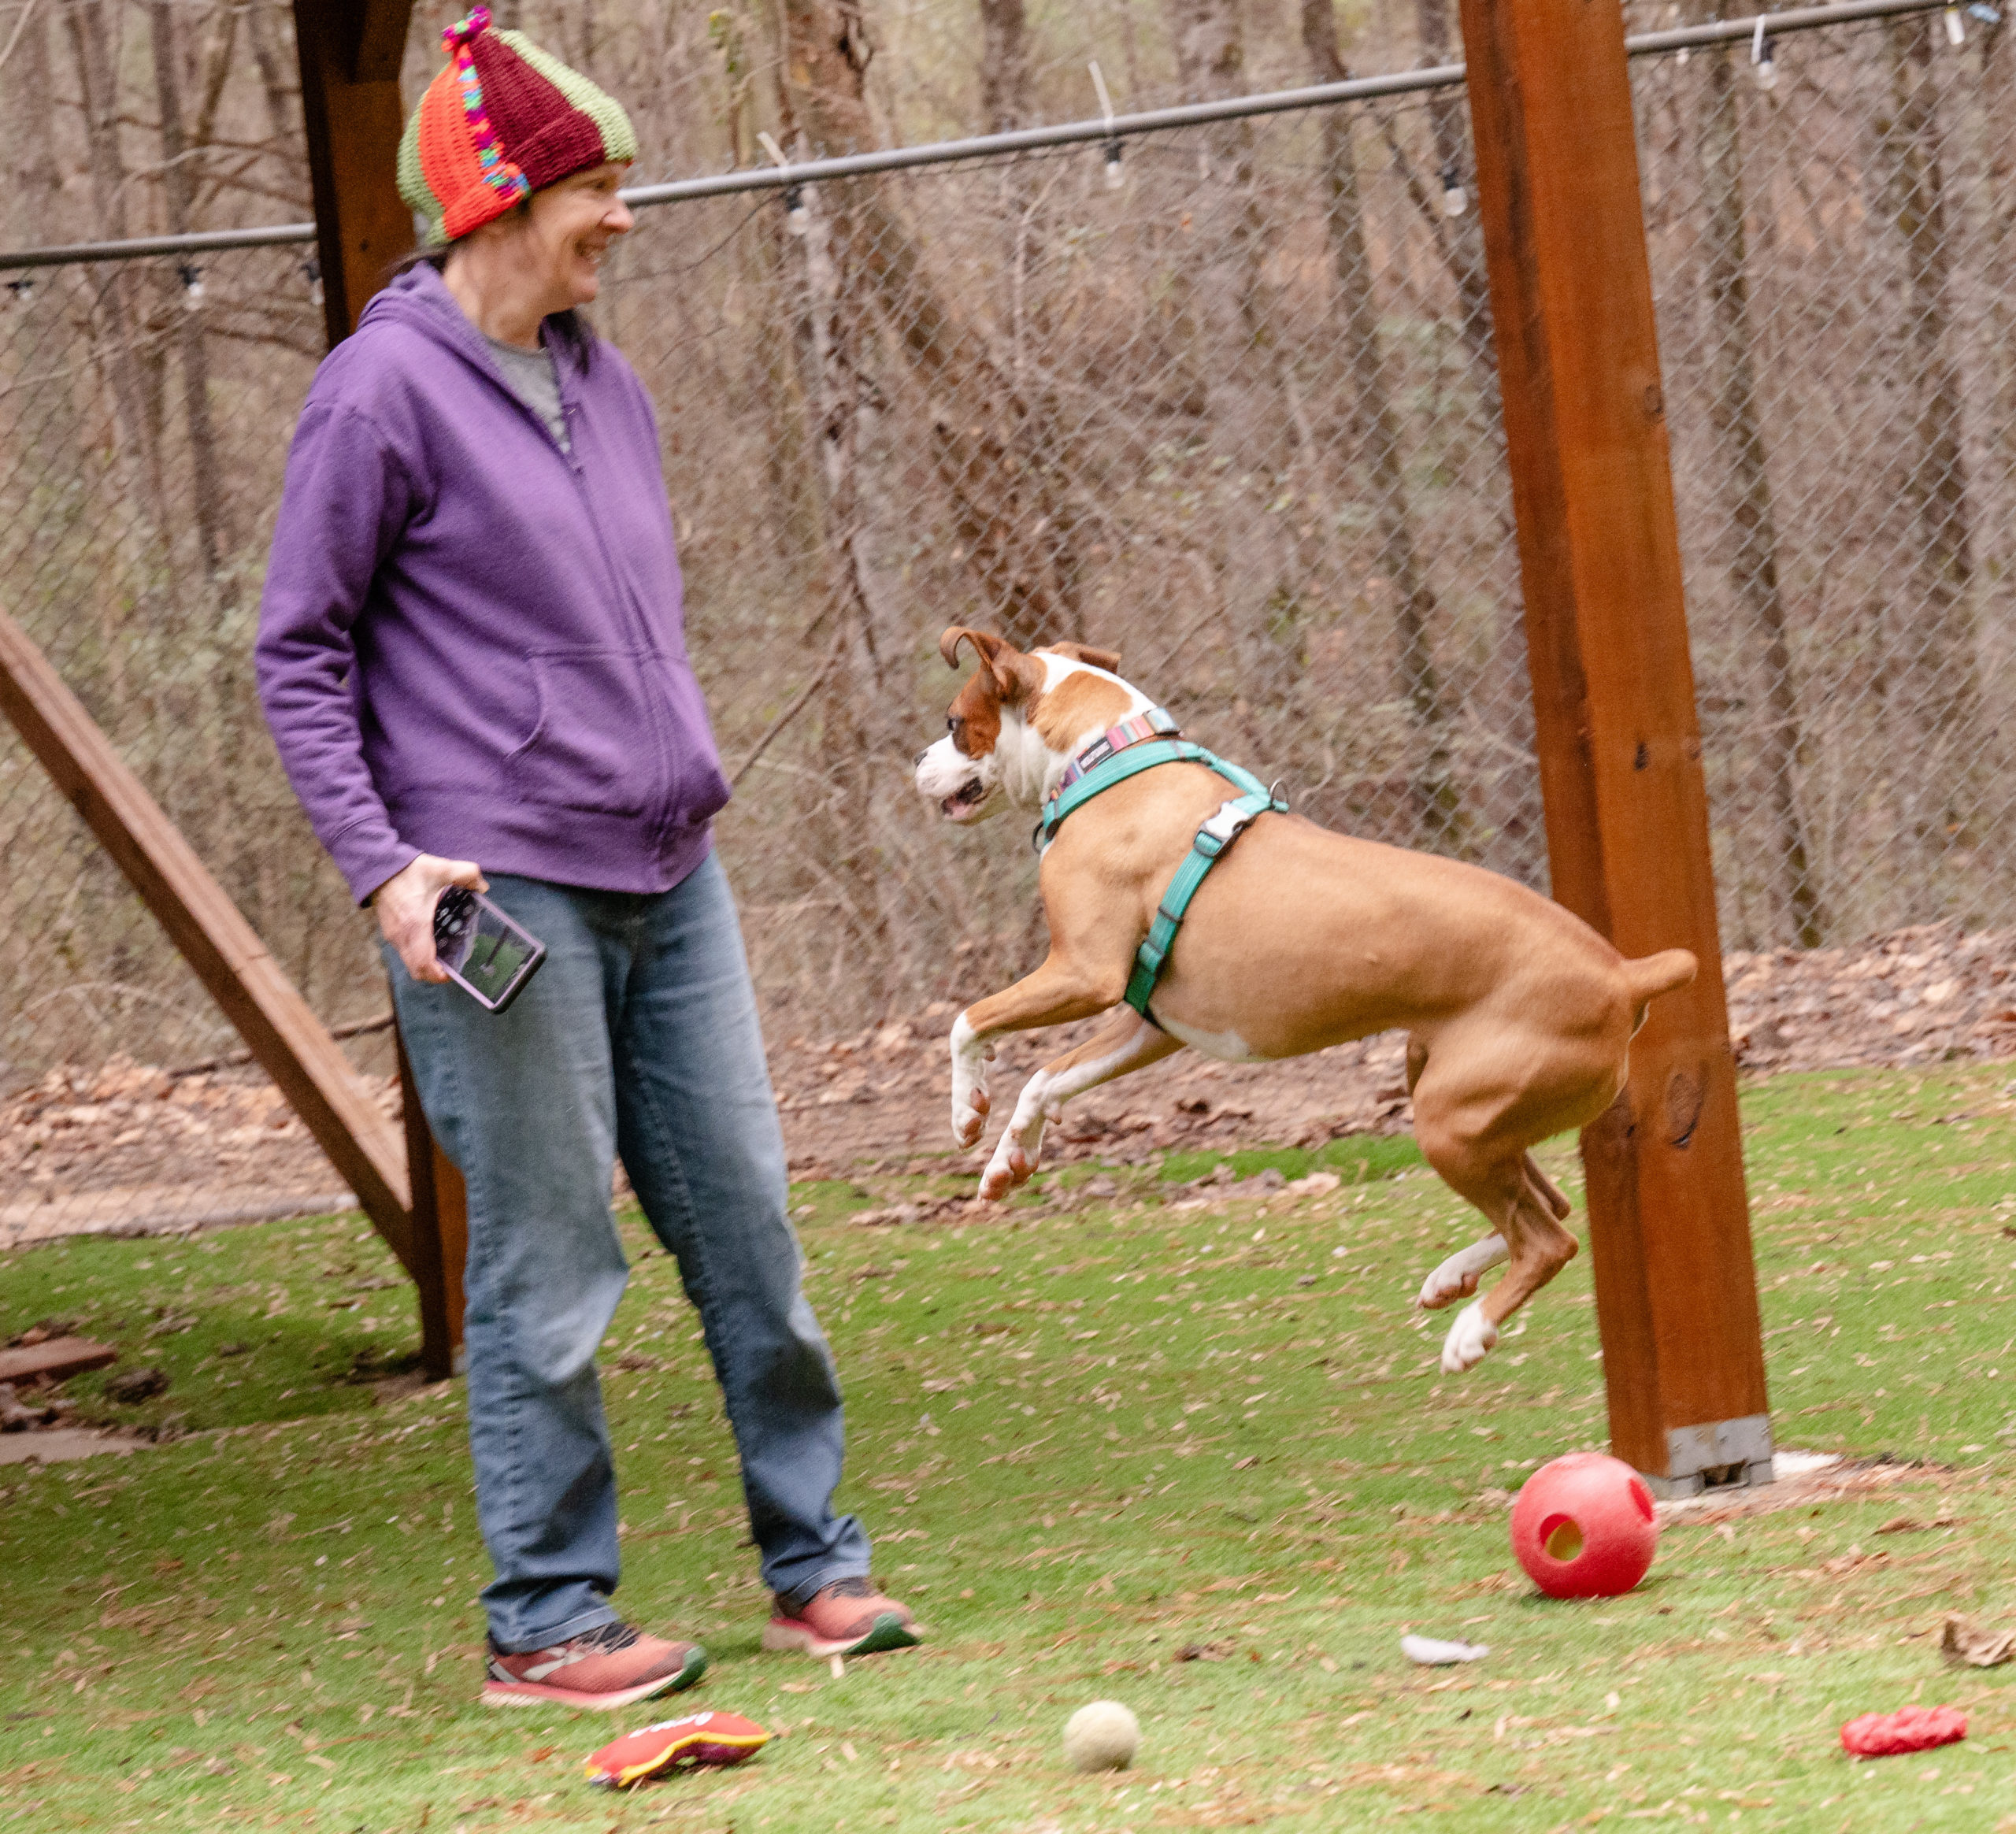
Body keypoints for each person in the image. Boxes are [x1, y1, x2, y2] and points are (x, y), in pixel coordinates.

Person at [255, 7, 916, 1711]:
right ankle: (547, 1620)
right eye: (591, 187)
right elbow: (298, 653)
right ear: (497, 202)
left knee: (749, 1226)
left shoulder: (597, 376)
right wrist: (383, 868)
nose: (621, 213)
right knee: (551, 1258)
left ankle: (814, 1566)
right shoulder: (379, 392)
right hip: (492, 895)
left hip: (665, 870)